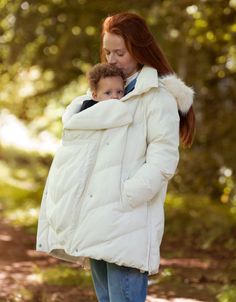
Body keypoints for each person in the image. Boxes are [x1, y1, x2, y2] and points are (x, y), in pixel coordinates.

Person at [36, 12, 195, 302]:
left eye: (119, 52)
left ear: (138, 49)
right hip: (96, 221)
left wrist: (126, 195)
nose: (111, 59)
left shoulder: (155, 97)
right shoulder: (104, 95)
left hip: (127, 221)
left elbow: (163, 161)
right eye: (107, 51)